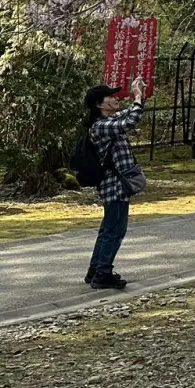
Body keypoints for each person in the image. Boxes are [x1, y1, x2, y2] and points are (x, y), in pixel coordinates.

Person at [83, 78, 146, 289]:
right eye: (110, 96)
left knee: (108, 229)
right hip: (115, 186)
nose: (114, 98)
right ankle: (103, 273)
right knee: (115, 230)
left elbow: (126, 115)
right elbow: (129, 121)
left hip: (115, 184)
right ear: (99, 105)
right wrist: (137, 98)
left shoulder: (105, 122)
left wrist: (139, 97)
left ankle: (96, 269)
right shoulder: (100, 126)